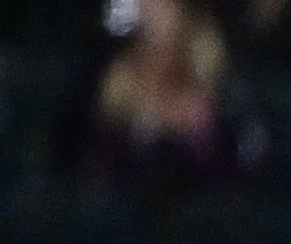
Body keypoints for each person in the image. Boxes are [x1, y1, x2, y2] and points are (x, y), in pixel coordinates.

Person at [78, 0, 258, 189]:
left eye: (163, 7)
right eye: (148, 7)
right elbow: (101, 151)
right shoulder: (121, 73)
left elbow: (235, 152)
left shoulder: (211, 67)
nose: (155, 15)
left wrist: (193, 125)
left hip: (200, 193)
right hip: (132, 194)